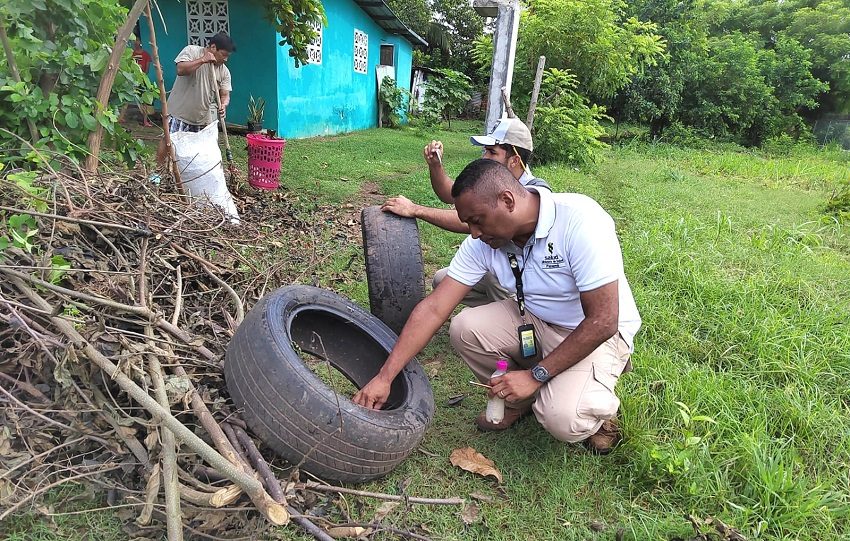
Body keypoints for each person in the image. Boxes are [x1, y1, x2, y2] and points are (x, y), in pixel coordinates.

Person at [354, 159, 641, 454]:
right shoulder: (485, 241)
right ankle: (518, 403)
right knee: (466, 329)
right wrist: (385, 377)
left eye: (477, 221)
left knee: (562, 418)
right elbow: (434, 309)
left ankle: (597, 414)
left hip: (594, 333)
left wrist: (535, 375)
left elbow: (604, 320)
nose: (474, 233)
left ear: (507, 200)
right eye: (468, 224)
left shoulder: (579, 219)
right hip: (537, 319)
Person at [382, 117, 550, 306]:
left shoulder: (534, 193)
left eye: (492, 152)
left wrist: (416, 210)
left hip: (521, 275)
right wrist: (436, 166)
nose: (484, 157)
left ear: (514, 160)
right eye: (485, 150)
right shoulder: (489, 182)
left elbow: (467, 223)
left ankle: (520, 318)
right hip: (495, 266)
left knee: (494, 283)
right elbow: (451, 194)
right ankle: (498, 312)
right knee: (441, 279)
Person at [119, 38, 154, 127]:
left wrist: (140, 77)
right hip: (131, 79)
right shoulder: (130, 53)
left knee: (144, 100)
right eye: (134, 40)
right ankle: (121, 117)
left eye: (137, 40)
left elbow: (147, 70)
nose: (135, 42)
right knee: (126, 97)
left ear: (141, 42)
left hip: (141, 80)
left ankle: (145, 121)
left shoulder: (146, 55)